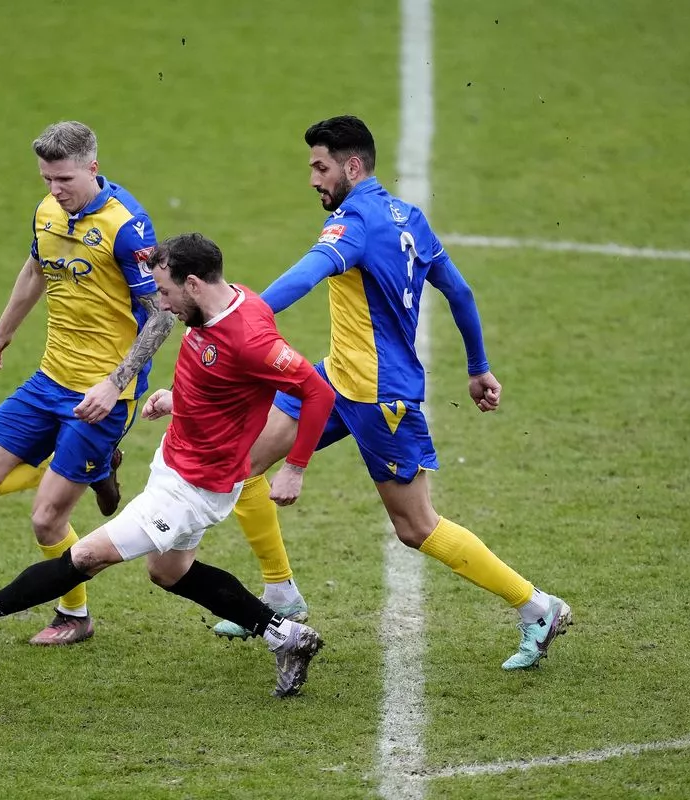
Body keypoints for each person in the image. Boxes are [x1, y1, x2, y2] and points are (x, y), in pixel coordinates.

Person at [213, 116, 572, 670]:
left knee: (416, 528)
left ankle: (536, 606)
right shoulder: (409, 218)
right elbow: (460, 290)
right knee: (241, 465)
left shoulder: (351, 224)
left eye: (320, 166)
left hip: (382, 398)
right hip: (334, 379)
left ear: (352, 166)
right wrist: (478, 366)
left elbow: (306, 276)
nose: (312, 178)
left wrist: (234, 314)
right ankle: (280, 593)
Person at [0, 233, 337, 697]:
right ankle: (287, 637)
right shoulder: (220, 301)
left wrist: (295, 467)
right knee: (169, 572)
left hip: (195, 487)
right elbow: (222, 379)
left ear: (193, 283)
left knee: (85, 557)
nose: (160, 304)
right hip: (176, 461)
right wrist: (177, 398)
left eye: (164, 292)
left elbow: (317, 391)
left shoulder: (251, 337)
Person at [0, 121, 176, 646]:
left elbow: (161, 316)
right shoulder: (46, 211)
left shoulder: (127, 226)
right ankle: (93, 468)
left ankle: (74, 617)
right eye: (47, 178)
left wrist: (114, 382)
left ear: (93, 169)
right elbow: (35, 270)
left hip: (103, 395)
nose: (55, 189)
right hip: (48, 380)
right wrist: (0, 335)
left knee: (47, 521)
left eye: (65, 179)